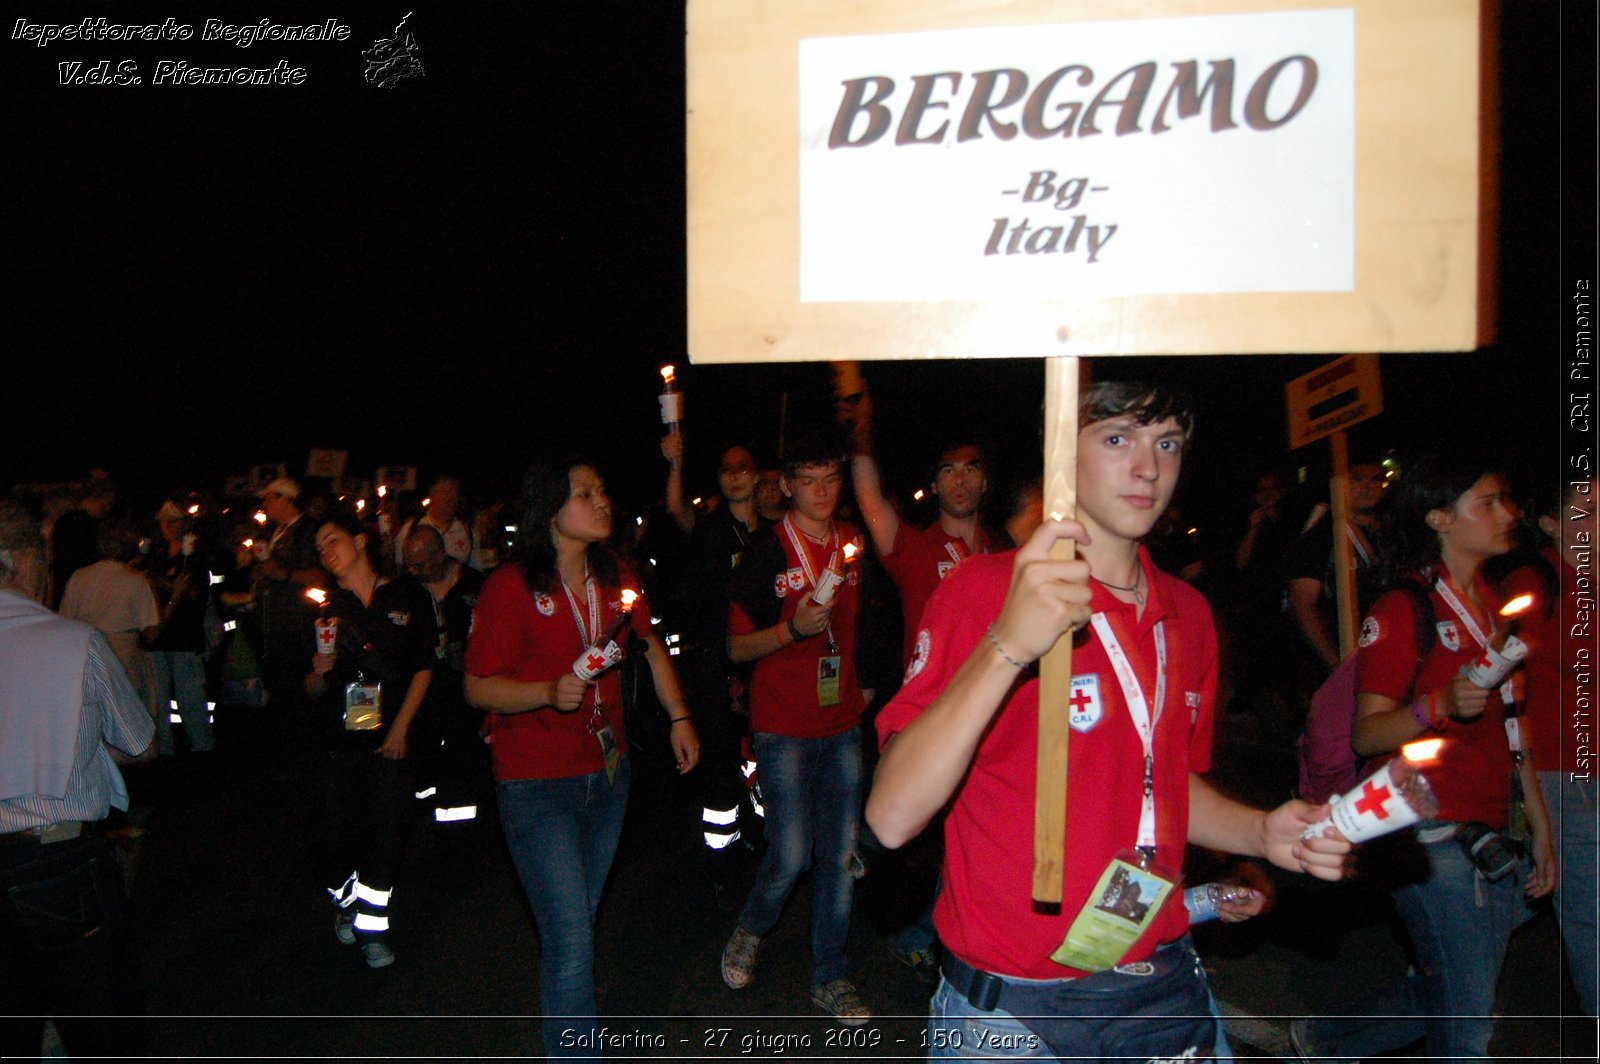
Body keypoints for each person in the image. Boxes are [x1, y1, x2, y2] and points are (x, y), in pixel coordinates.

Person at [867, 381, 1352, 1062]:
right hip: (1013, 1013)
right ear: (1064, 452)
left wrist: (1261, 832)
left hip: (1161, 981)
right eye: (1118, 439)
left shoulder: (1188, 614)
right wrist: (1007, 644)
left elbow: (1167, 786)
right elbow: (892, 816)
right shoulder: (982, 590)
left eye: (1168, 444)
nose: (1149, 468)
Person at [1293, 453, 1557, 1061]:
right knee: (1469, 1028)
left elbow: (1517, 725)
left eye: (1506, 500)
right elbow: (1367, 735)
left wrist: (1542, 824)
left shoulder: (1497, 607)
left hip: (1497, 827)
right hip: (1429, 832)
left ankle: (1328, 1039)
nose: (1508, 514)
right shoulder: (1402, 608)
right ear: (1440, 518)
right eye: (1487, 502)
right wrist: (1438, 702)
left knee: (1458, 990)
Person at [464, 454, 699, 1057]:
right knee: (571, 940)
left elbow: (646, 646)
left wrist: (679, 715)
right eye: (585, 493)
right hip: (536, 784)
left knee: (577, 928)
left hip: (608, 776)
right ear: (550, 508)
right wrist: (546, 692)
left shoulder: (615, 573)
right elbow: (477, 685)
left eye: (602, 491)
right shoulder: (511, 586)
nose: (602, 502)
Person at [719, 429, 874, 1025]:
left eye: (831, 479)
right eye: (807, 481)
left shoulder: (852, 543)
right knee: (791, 851)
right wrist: (792, 630)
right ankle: (751, 927)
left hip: (841, 719)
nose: (821, 491)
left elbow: (867, 623)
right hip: (781, 723)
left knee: (838, 855)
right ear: (785, 487)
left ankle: (830, 977)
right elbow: (734, 647)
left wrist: (866, 681)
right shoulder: (764, 553)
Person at [1, 507, 156, 1059]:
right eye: (42, 559)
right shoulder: (74, 642)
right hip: (58, 859)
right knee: (101, 1027)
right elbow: (139, 740)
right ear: (23, 562)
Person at [305, 509, 437, 970]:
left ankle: (372, 928)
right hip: (338, 740)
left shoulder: (406, 596)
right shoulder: (323, 606)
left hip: (391, 738)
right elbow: (304, 687)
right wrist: (318, 674)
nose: (326, 550)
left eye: (332, 538)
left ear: (361, 541)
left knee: (386, 832)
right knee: (332, 835)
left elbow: (424, 665)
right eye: (319, 546)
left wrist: (401, 728)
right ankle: (343, 899)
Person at [1500, 479, 1596, 1015]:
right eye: (1590, 511)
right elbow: (1501, 681)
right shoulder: (1535, 585)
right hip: (1556, 776)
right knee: (1592, 918)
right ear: (1552, 524)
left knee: (1495, 917)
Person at [661, 435, 772, 900]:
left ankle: (767, 840)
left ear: (757, 474)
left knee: (766, 756)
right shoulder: (708, 527)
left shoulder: (775, 532)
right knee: (721, 764)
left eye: (743, 466)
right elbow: (675, 509)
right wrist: (676, 463)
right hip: (711, 665)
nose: (735, 474)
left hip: (763, 663)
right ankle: (721, 862)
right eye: (726, 469)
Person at [401, 523, 488, 826]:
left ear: (440, 554)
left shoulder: (476, 586)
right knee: (424, 771)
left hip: (465, 698)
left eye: (419, 564)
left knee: (462, 768)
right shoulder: (406, 590)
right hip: (423, 699)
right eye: (408, 564)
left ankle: (461, 836)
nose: (413, 571)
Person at [146, 500, 216, 756]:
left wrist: (167, 586)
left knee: (190, 697)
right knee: (158, 699)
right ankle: (164, 749)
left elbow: (196, 593)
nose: (166, 526)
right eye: (163, 521)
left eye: (172, 520)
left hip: (184, 636)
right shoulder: (157, 553)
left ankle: (202, 746)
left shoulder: (195, 555)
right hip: (158, 634)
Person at [394, 474, 476, 571]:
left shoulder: (467, 531)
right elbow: (399, 567)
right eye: (445, 492)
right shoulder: (411, 529)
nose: (450, 498)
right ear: (432, 495)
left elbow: (475, 567)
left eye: (455, 492)